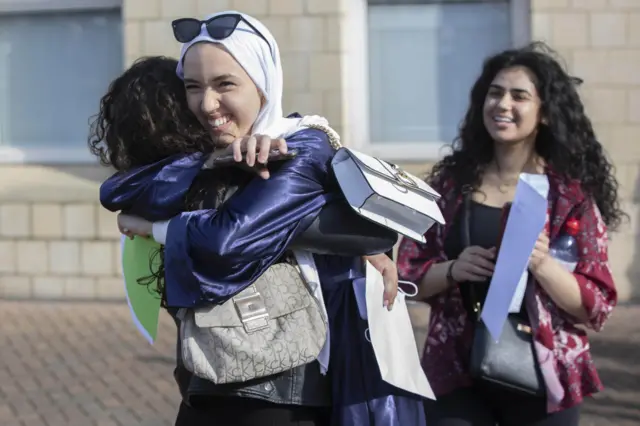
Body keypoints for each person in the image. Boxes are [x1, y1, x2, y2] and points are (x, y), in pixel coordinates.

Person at [93, 11, 425, 426]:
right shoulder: (221, 156)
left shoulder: (302, 147)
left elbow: (227, 243)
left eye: (225, 84)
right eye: (193, 88)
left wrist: (159, 228)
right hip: (211, 376)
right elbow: (117, 191)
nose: (207, 104)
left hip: (284, 385)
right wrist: (213, 162)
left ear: (263, 83)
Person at [397, 42, 621, 426]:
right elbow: (405, 277)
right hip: (455, 369)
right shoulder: (450, 187)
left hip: (543, 373)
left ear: (545, 113)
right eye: (495, 93)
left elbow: (595, 305)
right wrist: (453, 269)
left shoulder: (569, 199)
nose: (502, 104)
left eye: (519, 96)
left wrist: (543, 265)